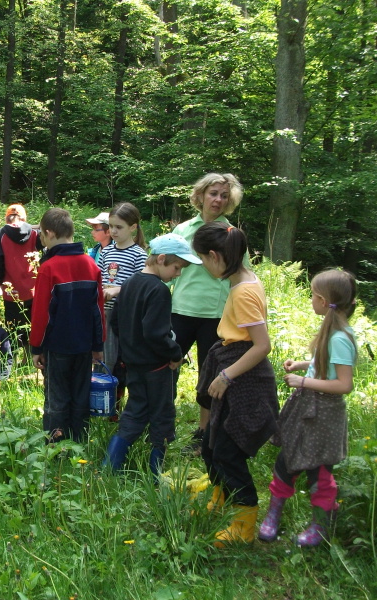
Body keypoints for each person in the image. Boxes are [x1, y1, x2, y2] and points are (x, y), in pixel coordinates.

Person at [192, 222, 279, 547]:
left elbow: (262, 345)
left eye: (203, 259)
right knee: (211, 443)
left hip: (245, 380)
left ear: (215, 256)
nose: (203, 265)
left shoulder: (243, 291)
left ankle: (244, 523)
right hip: (232, 365)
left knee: (228, 452)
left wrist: (226, 376)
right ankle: (220, 496)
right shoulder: (242, 280)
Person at [259, 269, 357, 547]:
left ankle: (320, 526)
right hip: (307, 408)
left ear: (324, 301)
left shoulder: (339, 337)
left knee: (319, 470)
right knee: (287, 459)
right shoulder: (332, 331)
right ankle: (273, 515)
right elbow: (326, 365)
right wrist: (303, 365)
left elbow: (344, 384)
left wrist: (303, 381)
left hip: (324, 414)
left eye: (313, 296)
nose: (311, 300)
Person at [102, 233, 200, 476]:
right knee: (162, 417)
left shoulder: (130, 283)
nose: (178, 274)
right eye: (177, 268)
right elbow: (156, 334)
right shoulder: (159, 290)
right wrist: (175, 354)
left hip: (132, 364)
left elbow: (115, 321)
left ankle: (109, 467)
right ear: (162, 259)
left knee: (134, 412)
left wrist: (129, 346)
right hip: (157, 368)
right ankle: (155, 474)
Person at [170, 173, 246, 454]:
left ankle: (204, 433)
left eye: (224, 196)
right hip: (180, 310)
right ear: (200, 195)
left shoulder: (231, 234)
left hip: (216, 314)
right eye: (213, 193)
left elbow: (243, 275)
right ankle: (162, 424)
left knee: (209, 373)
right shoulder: (182, 230)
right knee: (166, 366)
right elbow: (164, 268)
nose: (218, 200)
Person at [30, 207, 104, 443]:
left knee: (57, 398)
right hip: (84, 346)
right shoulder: (91, 265)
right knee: (80, 395)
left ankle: (55, 447)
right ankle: (79, 443)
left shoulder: (49, 268)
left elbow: (41, 314)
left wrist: (36, 347)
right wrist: (98, 345)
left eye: (41, 234)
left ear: (50, 233)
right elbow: (98, 310)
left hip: (57, 346)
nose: (41, 239)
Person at [91, 203, 148, 412]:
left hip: (125, 316)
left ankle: (119, 405)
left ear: (133, 227)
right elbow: (98, 277)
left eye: (119, 227)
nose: (113, 231)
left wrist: (117, 290)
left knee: (121, 361)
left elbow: (141, 286)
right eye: (111, 226)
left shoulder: (139, 254)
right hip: (104, 312)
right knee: (104, 358)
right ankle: (101, 404)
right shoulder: (106, 251)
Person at [0, 204, 38, 350]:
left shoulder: (1, 234)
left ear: (7, 218)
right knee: (31, 324)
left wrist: (1, 280)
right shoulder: (34, 233)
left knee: (13, 328)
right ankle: (29, 356)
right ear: (24, 218)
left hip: (11, 289)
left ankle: (14, 356)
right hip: (32, 289)